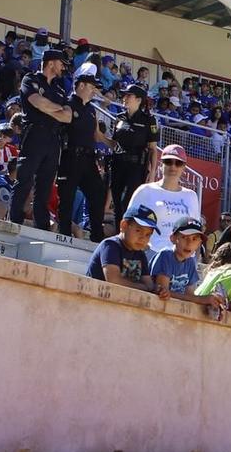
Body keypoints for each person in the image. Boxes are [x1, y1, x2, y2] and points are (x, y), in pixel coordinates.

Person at [10, 46, 71, 231]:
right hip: (34, 133)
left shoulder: (59, 88)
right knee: (25, 179)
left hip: (53, 138)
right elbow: (36, 101)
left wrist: (48, 108)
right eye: (61, 63)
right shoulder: (31, 79)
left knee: (45, 185)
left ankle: (42, 225)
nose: (63, 67)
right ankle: (14, 220)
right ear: (51, 63)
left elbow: (67, 116)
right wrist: (56, 109)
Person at [60, 67, 107, 238]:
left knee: (97, 194)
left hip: (88, 158)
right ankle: (63, 234)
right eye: (91, 86)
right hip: (71, 156)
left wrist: (112, 143)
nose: (94, 90)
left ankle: (97, 236)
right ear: (80, 86)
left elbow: (97, 134)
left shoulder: (91, 110)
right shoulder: (67, 104)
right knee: (67, 197)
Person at [104, 83, 156, 235]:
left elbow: (152, 149)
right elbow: (115, 143)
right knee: (116, 201)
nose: (125, 98)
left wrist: (152, 172)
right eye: (124, 95)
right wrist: (101, 137)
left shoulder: (148, 120)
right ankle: (119, 235)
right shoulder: (119, 118)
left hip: (136, 166)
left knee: (127, 201)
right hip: (117, 164)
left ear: (139, 100)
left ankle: (126, 233)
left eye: (129, 96)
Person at [128, 145, 202, 248]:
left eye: (178, 163)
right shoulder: (145, 190)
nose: (173, 166)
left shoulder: (191, 196)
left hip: (181, 255)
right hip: (152, 251)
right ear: (161, 164)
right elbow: (129, 222)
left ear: (184, 167)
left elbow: (195, 230)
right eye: (168, 162)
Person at [85, 203, 158, 291]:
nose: (143, 238)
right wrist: (144, 288)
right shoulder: (110, 246)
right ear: (123, 226)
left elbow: (149, 284)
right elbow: (114, 281)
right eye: (138, 231)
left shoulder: (140, 254)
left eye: (148, 235)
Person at [151, 216, 213, 304]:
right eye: (184, 237)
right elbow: (163, 292)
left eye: (194, 239)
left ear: (199, 243)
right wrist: (201, 299)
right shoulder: (166, 256)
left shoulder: (190, 262)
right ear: (173, 238)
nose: (189, 243)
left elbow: (190, 295)